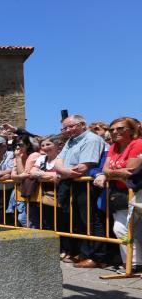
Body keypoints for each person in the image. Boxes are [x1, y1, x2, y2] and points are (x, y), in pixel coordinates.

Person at [53, 115, 108, 268]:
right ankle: (85, 252)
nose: (67, 130)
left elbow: (82, 168)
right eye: (64, 128)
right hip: (74, 183)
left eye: (71, 126)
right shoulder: (70, 141)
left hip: (86, 184)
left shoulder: (91, 139)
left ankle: (98, 257)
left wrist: (62, 172)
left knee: (91, 220)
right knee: (79, 220)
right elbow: (57, 163)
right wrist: (65, 171)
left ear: (83, 124)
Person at [93, 117, 142, 271]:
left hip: (137, 191)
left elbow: (131, 171)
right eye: (112, 129)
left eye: (120, 128)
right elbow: (107, 169)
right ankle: (133, 264)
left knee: (133, 229)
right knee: (121, 228)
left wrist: (108, 174)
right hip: (121, 193)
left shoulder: (137, 143)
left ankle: (134, 263)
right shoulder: (114, 146)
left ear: (132, 130)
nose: (115, 132)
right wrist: (113, 173)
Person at [0, 136, 14, 223]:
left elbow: (13, 171)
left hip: (11, 190)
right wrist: (8, 173)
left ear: (4, 146)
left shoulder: (11, 155)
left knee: (11, 214)